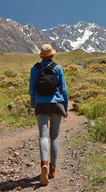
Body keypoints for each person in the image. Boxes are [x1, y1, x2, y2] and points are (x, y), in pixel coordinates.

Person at [29, 44, 69, 186]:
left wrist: (34, 105)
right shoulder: (57, 68)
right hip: (56, 103)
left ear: (41, 55)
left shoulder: (35, 68)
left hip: (41, 104)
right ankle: (52, 170)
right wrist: (65, 107)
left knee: (43, 135)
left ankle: (43, 164)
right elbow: (64, 90)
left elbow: (32, 90)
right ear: (52, 55)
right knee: (55, 137)